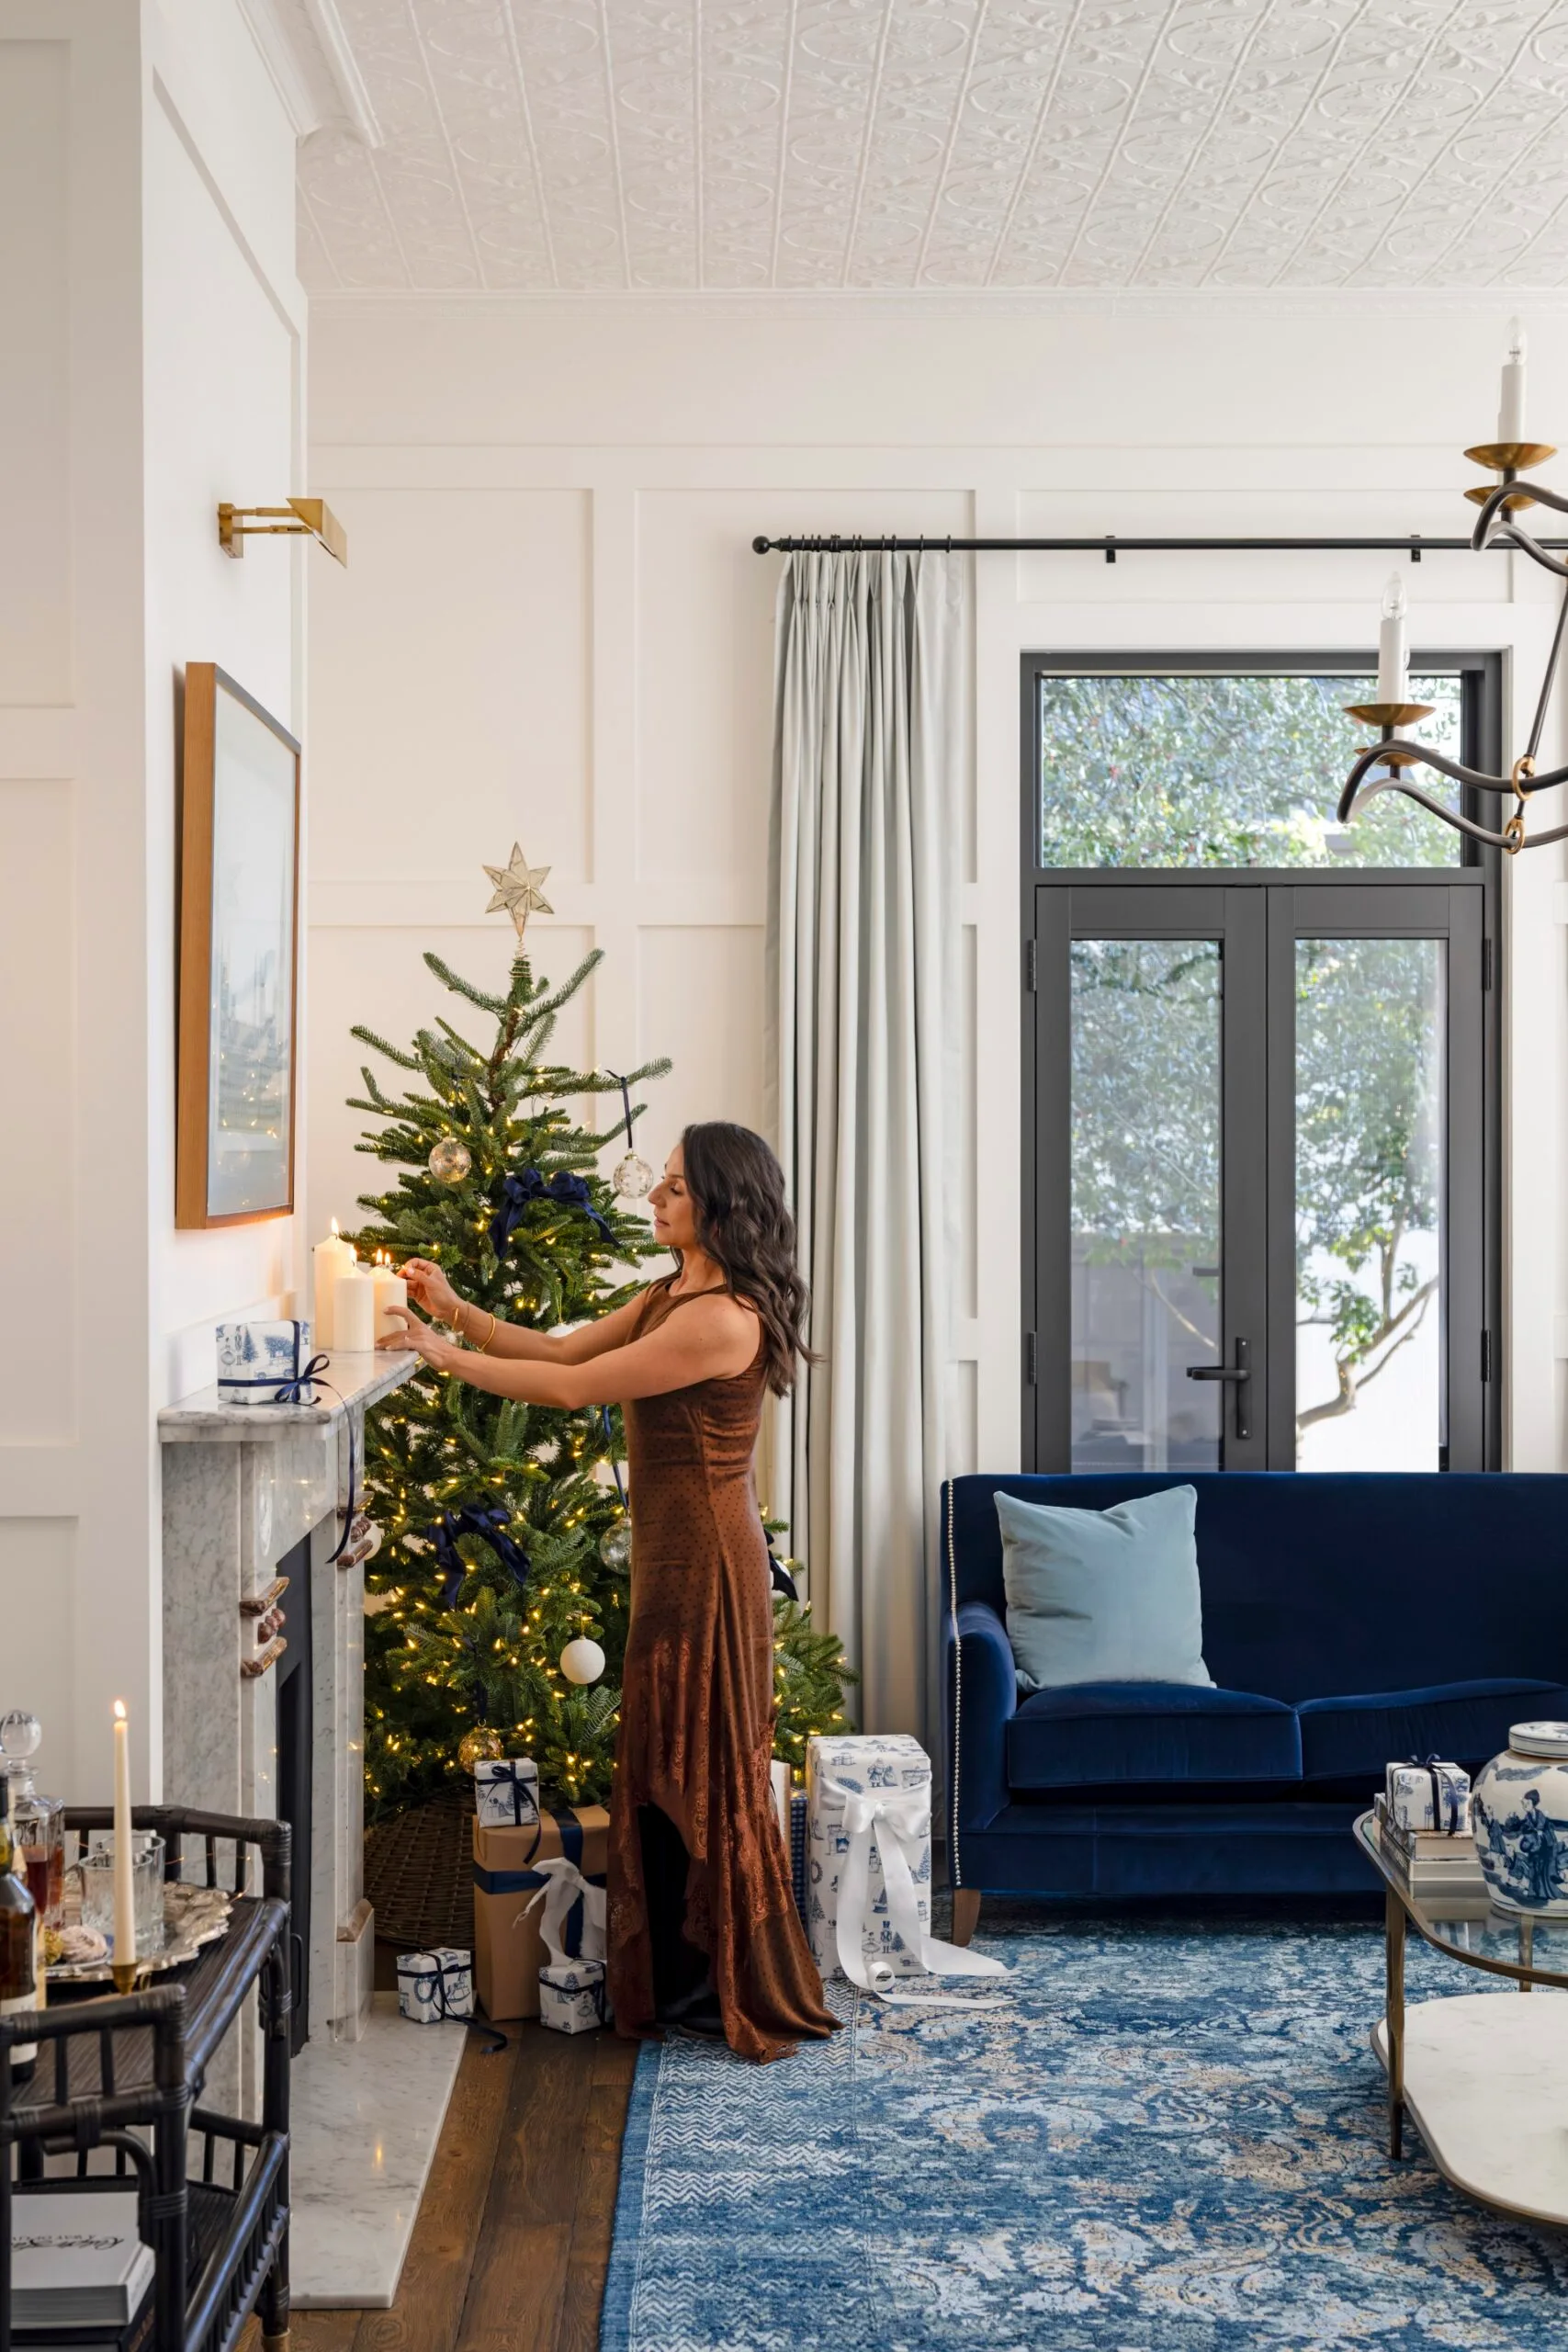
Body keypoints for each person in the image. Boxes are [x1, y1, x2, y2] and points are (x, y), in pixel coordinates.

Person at [380, 1120, 837, 2064]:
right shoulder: (673, 1295)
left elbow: (573, 1393)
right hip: (672, 1562)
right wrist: (454, 1308)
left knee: (704, 1762)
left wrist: (438, 1353)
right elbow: (555, 1350)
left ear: (716, 1203)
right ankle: (680, 1978)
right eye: (661, 1183)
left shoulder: (722, 1318)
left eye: (672, 1188)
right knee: (669, 1758)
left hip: (711, 1569)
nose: (655, 1198)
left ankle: (718, 1983)